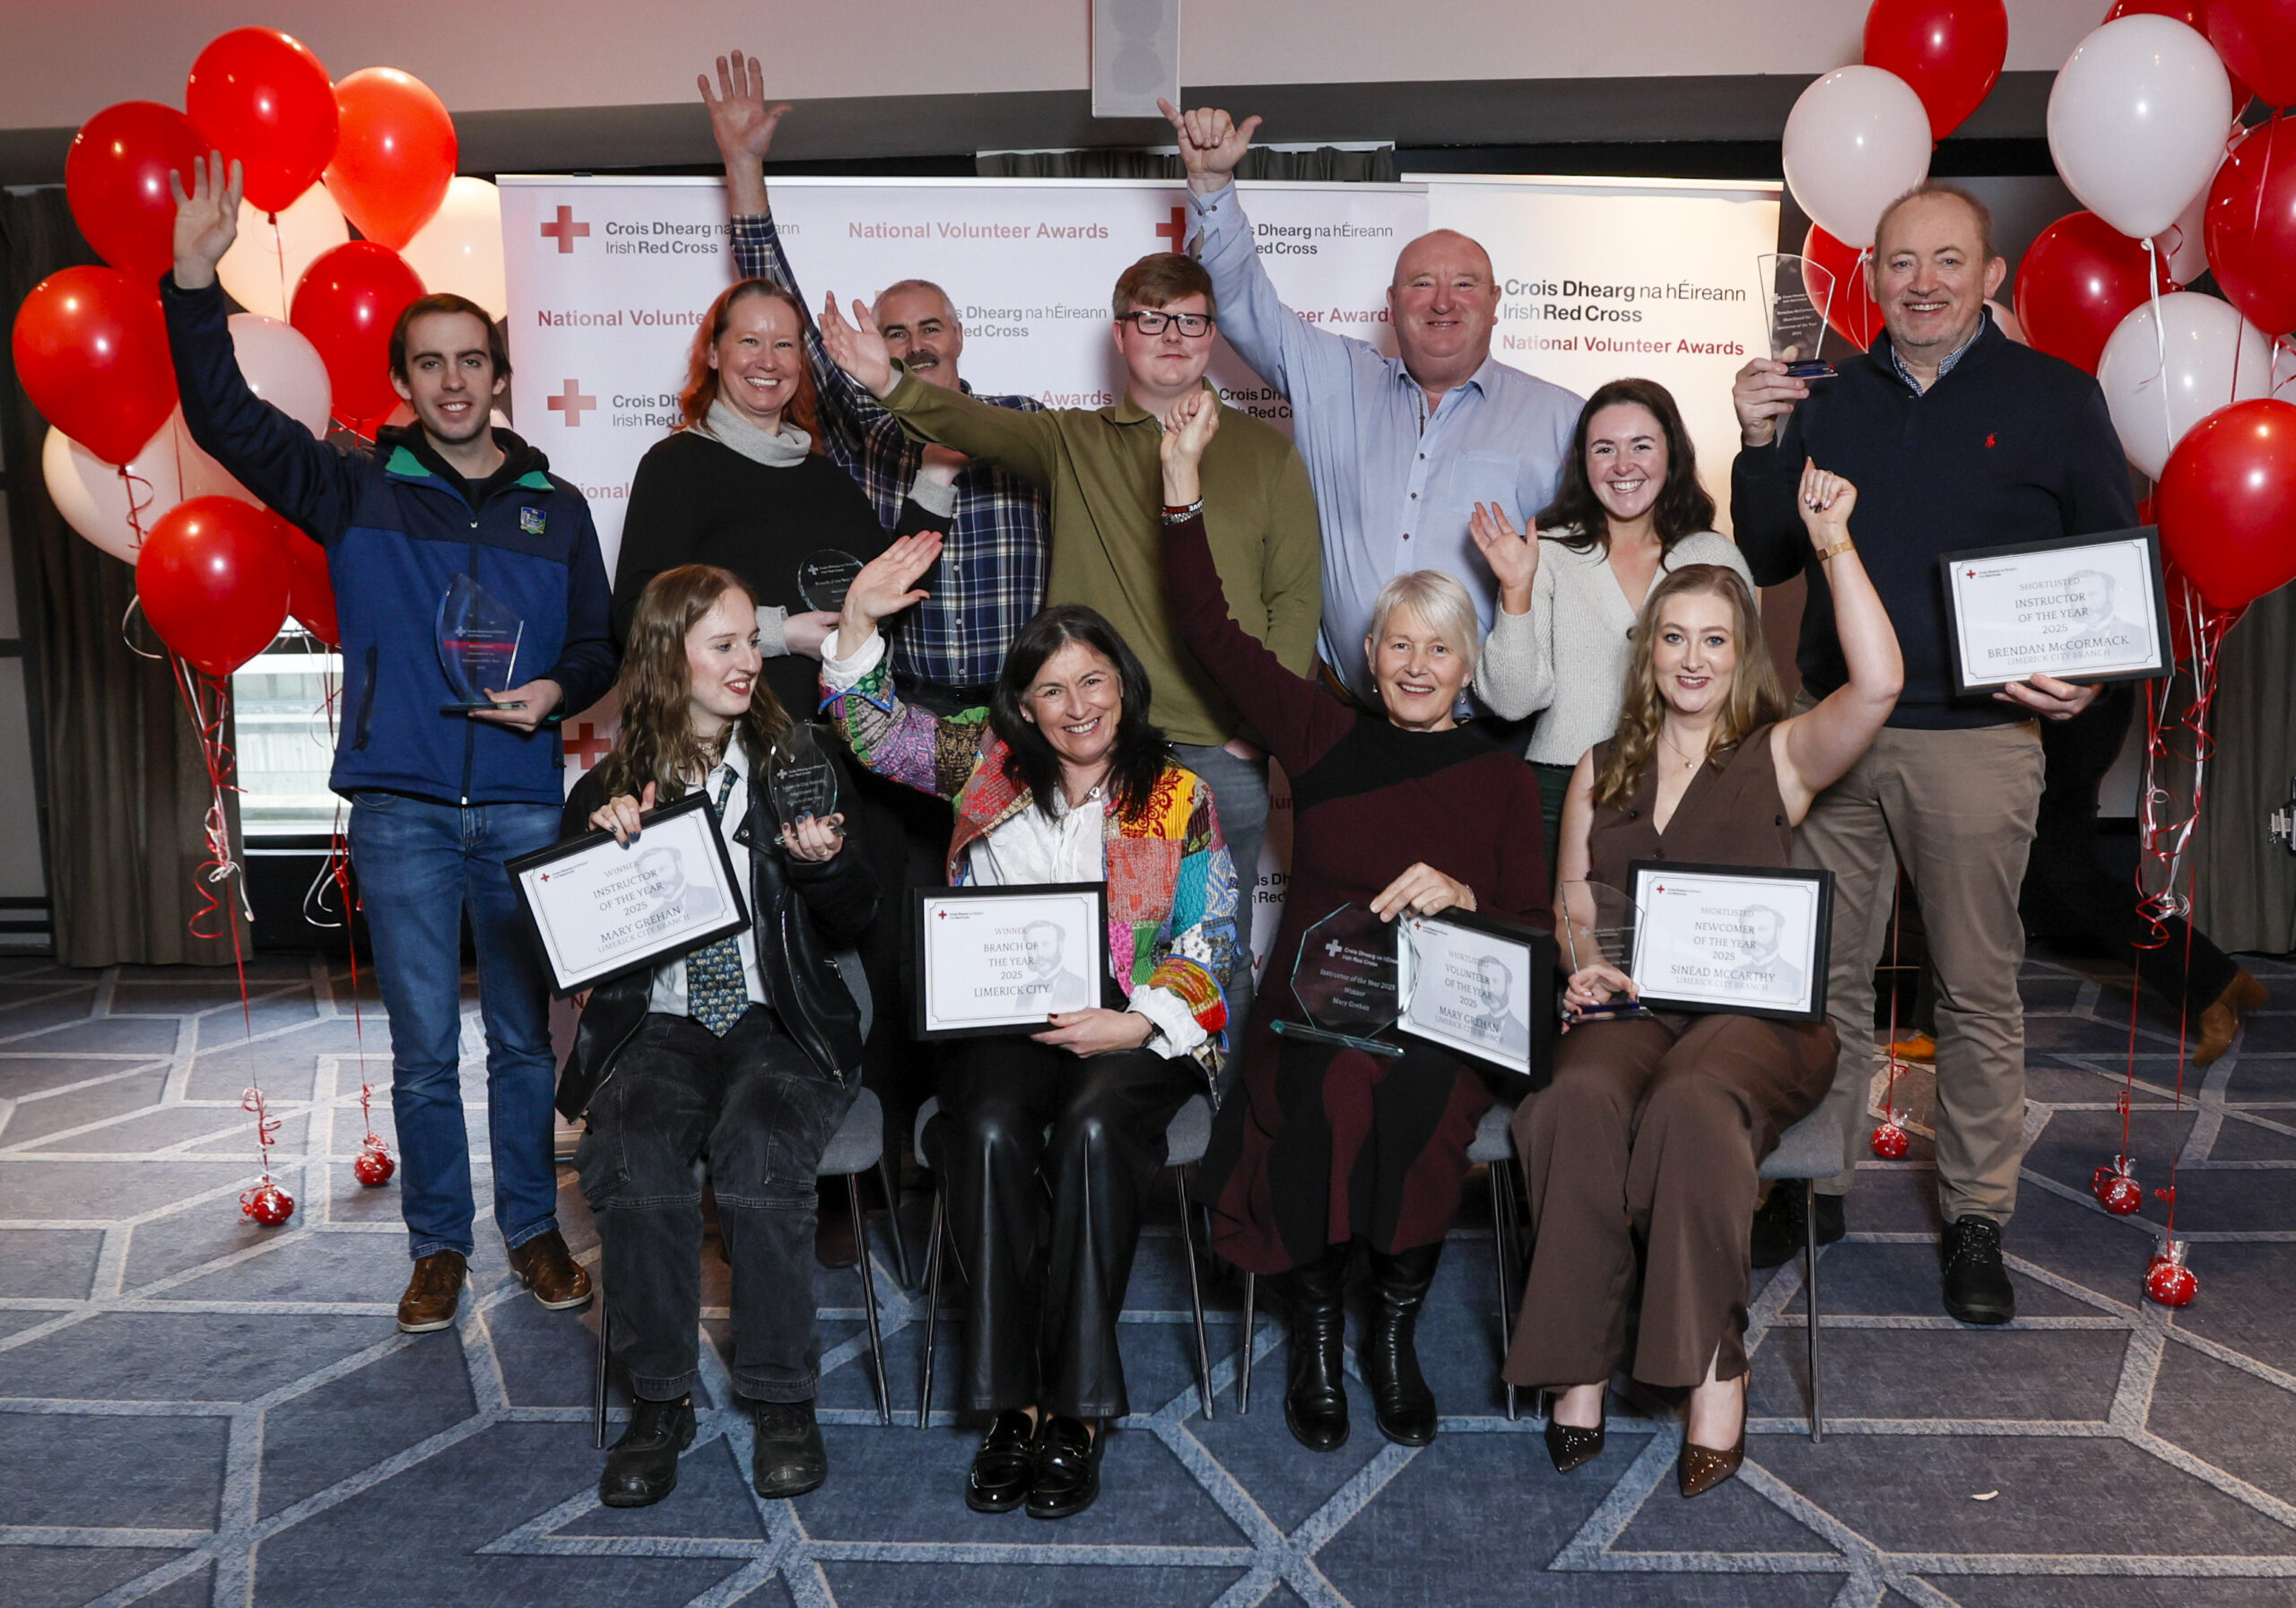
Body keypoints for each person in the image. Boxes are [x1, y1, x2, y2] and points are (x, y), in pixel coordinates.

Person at [162, 152, 614, 1334]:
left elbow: (603, 648)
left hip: (522, 805)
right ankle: (437, 1250)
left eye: (473, 359)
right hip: (403, 809)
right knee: (423, 1053)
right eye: (431, 363)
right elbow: (223, 417)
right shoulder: (351, 487)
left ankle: (530, 1236)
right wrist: (192, 284)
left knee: (523, 1047)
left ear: (499, 377)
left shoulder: (554, 510)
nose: (454, 380)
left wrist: (557, 691)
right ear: (403, 382)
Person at [1730, 180, 2139, 1324]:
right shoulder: (1826, 396)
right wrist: (1760, 441)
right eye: (1900, 263)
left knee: (1975, 989)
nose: (1921, 284)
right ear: (1869, 276)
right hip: (1834, 734)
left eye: (1947, 262)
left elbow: (2111, 562)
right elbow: (1768, 552)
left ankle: (1974, 1216)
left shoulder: (2057, 398)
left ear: (1990, 275)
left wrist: (2093, 669)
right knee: (1823, 982)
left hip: (1976, 740)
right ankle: (1815, 1182)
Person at [1158, 390, 1550, 1455]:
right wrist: (1182, 483)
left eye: (1439, 649)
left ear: (1470, 666)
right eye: (1396, 645)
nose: (1416, 666)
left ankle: (1393, 1335)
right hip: (1319, 1010)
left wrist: (1468, 904)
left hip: (1442, 1017)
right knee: (1330, 1095)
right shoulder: (1323, 734)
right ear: (1369, 654)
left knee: (1416, 1104)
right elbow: (1208, 631)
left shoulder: (1501, 782)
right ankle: (1322, 1336)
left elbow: (1533, 932)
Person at [819, 542, 1239, 1521]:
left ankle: (1079, 1411)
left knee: (1094, 1128)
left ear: (1124, 690)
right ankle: (1015, 1402)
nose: (1077, 704)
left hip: (1134, 1013)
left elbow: (1213, 934)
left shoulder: (1179, 796)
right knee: (994, 1130)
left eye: (1093, 679)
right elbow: (871, 733)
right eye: (1051, 689)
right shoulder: (983, 763)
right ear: (1024, 705)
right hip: (1000, 1010)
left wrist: (1137, 1018)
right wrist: (857, 621)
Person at [1510, 462, 1901, 1499]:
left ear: (1741, 657)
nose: (1691, 658)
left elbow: (1876, 686)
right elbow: (1574, 903)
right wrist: (1584, 964)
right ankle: (1578, 1357)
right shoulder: (1604, 763)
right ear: (1649, 653)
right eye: (1673, 637)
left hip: (1756, 1017)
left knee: (1690, 1099)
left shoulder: (1778, 754)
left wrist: (1832, 543)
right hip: (1638, 999)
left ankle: (1713, 1361)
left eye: (1714, 640)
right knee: (1575, 1100)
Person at [816, 256, 1319, 1044]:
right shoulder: (1071, 441)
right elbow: (970, 425)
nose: (1172, 337)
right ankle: (1081, 1121)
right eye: (1151, 320)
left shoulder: (1267, 453)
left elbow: (1296, 601)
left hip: (1221, 751)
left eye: (1190, 319)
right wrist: (888, 381)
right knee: (1082, 948)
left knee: (1215, 957)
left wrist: (1259, 728)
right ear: (1121, 335)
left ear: (1213, 334)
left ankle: (1227, 1150)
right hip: (1089, 744)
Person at [613, 267, 944, 1255]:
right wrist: (775, 636)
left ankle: (848, 1176)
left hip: (850, 746)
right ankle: (754, 1171)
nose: (765, 360)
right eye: (747, 341)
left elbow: (865, 590)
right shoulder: (677, 466)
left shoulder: (822, 468)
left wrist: (932, 486)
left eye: (784, 345)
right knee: (764, 961)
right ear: (713, 353)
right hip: (737, 750)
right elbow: (640, 612)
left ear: (804, 365)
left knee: (860, 952)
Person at [561, 566, 874, 1508]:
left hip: (773, 1011)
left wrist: (823, 867)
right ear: (669, 656)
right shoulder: (608, 787)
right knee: (633, 1150)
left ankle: (782, 1397)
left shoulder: (798, 759)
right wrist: (600, 849)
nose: (752, 660)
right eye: (726, 644)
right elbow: (571, 947)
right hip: (657, 1017)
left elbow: (858, 920)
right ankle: (659, 1400)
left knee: (759, 1147)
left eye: (752, 640)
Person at [1161, 100, 1582, 695]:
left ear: (1495, 302)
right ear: (1391, 304)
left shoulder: (1563, 419)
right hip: (1350, 721)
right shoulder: (1337, 380)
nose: (1443, 302)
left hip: (1487, 733)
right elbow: (1243, 304)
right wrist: (1212, 185)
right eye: (1421, 285)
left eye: (1464, 285)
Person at [701, 48, 1049, 711]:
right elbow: (781, 305)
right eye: (895, 334)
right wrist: (744, 165)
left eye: (930, 329)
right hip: (905, 709)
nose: (916, 347)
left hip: (1024, 713)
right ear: (877, 351)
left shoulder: (1022, 422)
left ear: (960, 335)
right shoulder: (869, 426)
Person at [1469, 378, 1755, 866]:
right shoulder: (1547, 554)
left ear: (1673, 454)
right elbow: (1513, 702)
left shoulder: (1714, 556)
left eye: (1641, 446)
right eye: (1605, 448)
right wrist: (1516, 590)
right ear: (1583, 462)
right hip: (1562, 790)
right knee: (1565, 937)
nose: (1623, 466)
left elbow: (1746, 688)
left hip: (1690, 783)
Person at [2021, 682, 2266, 1067]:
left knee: (2070, 874)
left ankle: (2213, 984)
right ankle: (2218, 978)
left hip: (2070, 710)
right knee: (2058, 872)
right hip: (2054, 713)